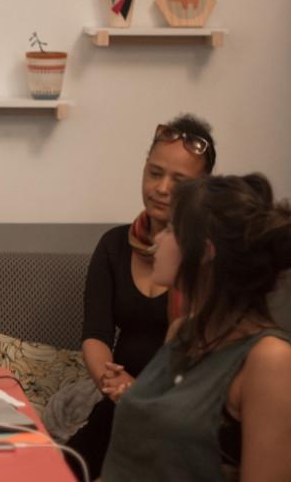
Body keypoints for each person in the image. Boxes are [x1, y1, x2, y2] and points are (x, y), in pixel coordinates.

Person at [102, 173, 291, 480]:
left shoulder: (270, 359)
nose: (159, 238)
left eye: (172, 229)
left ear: (204, 251)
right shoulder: (182, 331)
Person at [65, 114, 216, 479]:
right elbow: (96, 334)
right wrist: (112, 383)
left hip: (175, 409)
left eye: (179, 181)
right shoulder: (113, 245)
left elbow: (205, 360)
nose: (162, 188)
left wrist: (141, 392)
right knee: (61, 464)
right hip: (119, 402)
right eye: (154, 173)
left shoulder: (211, 257)